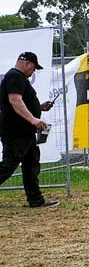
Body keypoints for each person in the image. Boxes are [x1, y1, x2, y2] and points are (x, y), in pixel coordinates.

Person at [0, 52, 59, 208]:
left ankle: (36, 200)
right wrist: (33, 119)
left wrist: (39, 108)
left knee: (31, 165)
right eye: (33, 68)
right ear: (27, 63)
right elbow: (15, 101)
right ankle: (35, 199)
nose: (33, 72)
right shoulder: (15, 76)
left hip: (25, 131)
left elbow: (21, 103)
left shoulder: (18, 78)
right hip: (16, 131)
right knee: (8, 165)